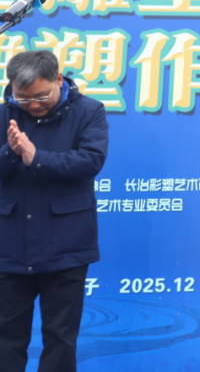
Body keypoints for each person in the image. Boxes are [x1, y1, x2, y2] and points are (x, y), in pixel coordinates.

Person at [0, 50, 109, 372]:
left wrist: (37, 158)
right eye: (23, 98)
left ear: (58, 79)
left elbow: (91, 160)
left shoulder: (89, 111)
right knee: (5, 337)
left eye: (41, 96)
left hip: (66, 245)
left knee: (61, 337)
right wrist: (11, 152)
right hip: (8, 246)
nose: (33, 105)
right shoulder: (4, 114)